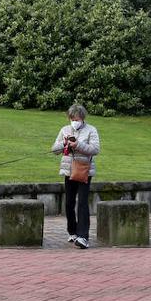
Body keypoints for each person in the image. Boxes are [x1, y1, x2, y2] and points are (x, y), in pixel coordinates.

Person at [51, 104, 100, 249]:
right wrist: (64, 143)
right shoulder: (64, 130)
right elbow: (54, 149)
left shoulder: (91, 130)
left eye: (77, 118)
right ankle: (72, 231)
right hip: (68, 170)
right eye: (72, 118)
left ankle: (83, 236)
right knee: (69, 203)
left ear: (82, 118)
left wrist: (77, 144)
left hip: (84, 170)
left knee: (83, 202)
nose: (74, 121)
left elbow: (95, 149)